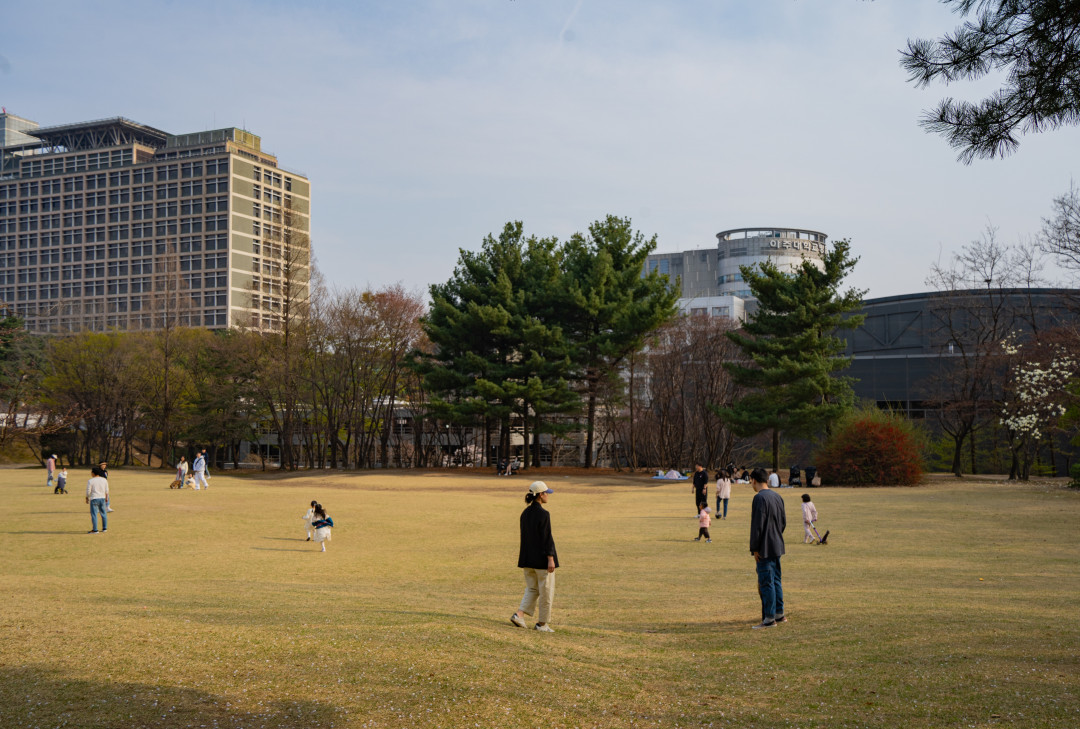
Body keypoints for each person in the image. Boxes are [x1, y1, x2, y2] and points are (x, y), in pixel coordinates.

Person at [511, 481, 559, 632]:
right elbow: (546, 538)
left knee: (532, 589)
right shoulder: (544, 514)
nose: (547, 496)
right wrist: (550, 558)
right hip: (542, 561)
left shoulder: (525, 513)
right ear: (540, 495)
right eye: (546, 493)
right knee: (546, 592)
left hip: (527, 560)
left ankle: (519, 615)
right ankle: (542, 624)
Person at [749, 467, 786, 629]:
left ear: (754, 480)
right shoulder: (777, 497)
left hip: (764, 546)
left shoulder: (759, 498)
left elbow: (757, 525)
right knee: (776, 580)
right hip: (777, 544)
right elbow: (783, 522)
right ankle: (779, 613)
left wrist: (755, 548)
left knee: (766, 582)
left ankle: (769, 619)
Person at [86, 466, 109, 534]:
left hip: (94, 498)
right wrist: (106, 497)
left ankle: (95, 530)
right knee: (103, 513)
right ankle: (104, 528)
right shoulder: (104, 480)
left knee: (94, 514)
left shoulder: (90, 481)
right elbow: (107, 490)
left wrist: (87, 497)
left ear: (93, 473)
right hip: (102, 498)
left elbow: (88, 491)